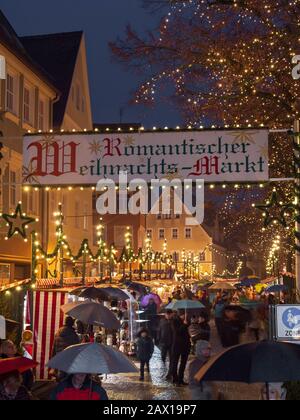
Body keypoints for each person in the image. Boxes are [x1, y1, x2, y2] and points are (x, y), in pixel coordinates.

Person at [171, 313, 191, 386]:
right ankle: (175, 379)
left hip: (185, 346)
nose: (185, 316)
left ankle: (181, 379)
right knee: (175, 363)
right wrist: (184, 324)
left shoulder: (187, 321)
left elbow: (188, 332)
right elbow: (178, 332)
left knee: (183, 363)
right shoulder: (174, 321)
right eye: (183, 314)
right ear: (180, 314)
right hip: (177, 346)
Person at [157, 310, 174, 379]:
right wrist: (158, 338)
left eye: (169, 314)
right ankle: (162, 371)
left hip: (171, 343)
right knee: (162, 357)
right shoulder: (162, 321)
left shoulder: (173, 321)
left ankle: (170, 373)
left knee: (171, 359)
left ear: (171, 314)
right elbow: (159, 330)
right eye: (167, 314)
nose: (168, 316)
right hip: (163, 342)